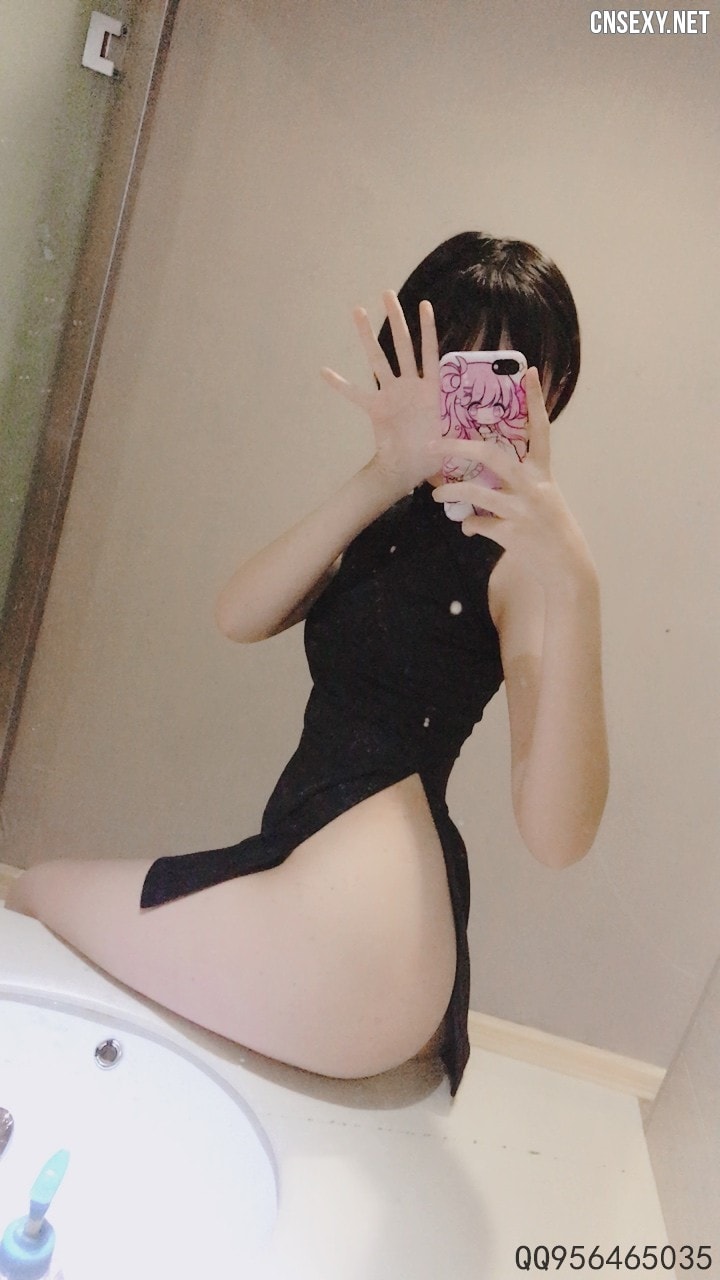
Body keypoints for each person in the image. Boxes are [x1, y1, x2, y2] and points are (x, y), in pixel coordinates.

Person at [6, 232, 609, 1096]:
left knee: (36, 897)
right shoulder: (392, 512)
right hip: (327, 906)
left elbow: (557, 837)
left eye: (503, 376)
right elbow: (239, 613)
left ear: (546, 393)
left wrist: (575, 581)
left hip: (363, 931)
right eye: (448, 367)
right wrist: (385, 471)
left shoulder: (521, 567)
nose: (471, 400)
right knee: (41, 898)